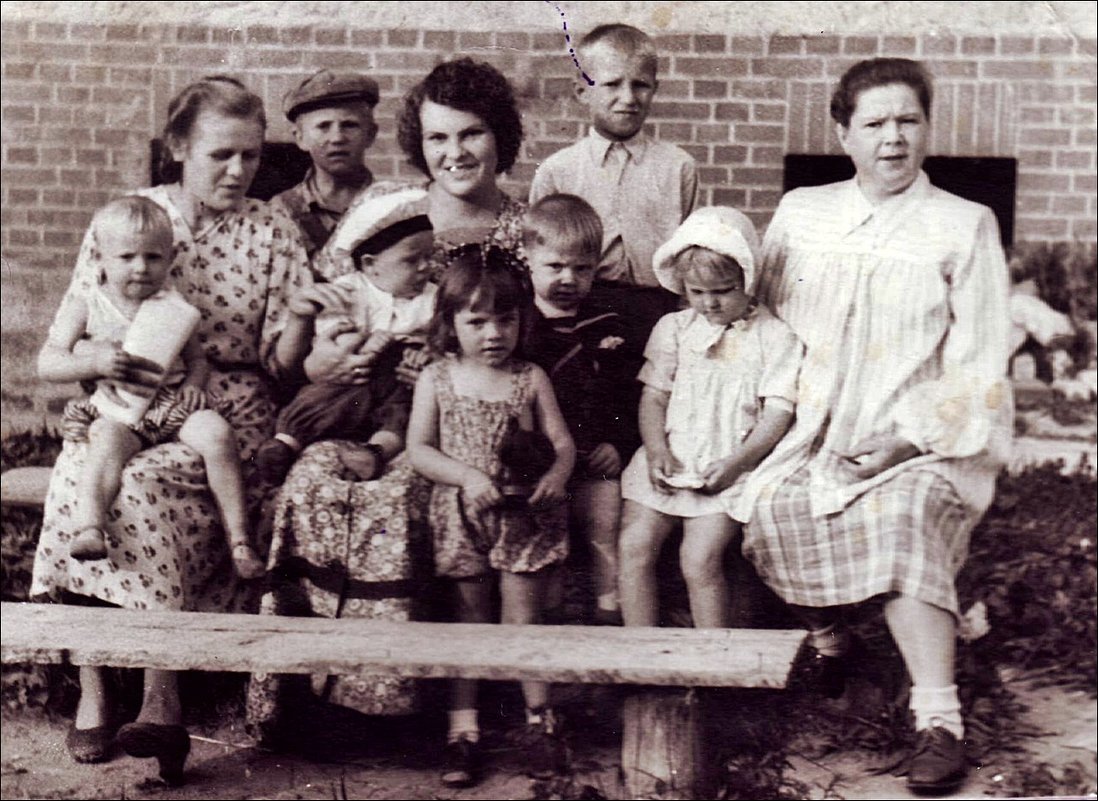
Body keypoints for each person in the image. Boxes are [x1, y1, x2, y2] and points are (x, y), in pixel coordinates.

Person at [737, 58, 1012, 796]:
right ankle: (833, 642)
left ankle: (938, 719)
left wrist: (908, 439)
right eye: (875, 123)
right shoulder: (803, 211)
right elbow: (763, 324)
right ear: (843, 133)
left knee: (902, 512)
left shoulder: (963, 223)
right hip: (812, 425)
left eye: (908, 121)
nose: (894, 139)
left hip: (920, 433)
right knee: (764, 503)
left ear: (927, 126)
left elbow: (981, 361)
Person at [30, 75, 315, 785]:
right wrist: (92, 369)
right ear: (179, 148)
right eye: (221, 154)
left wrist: (306, 325)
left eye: (250, 156)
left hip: (221, 401)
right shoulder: (131, 218)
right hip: (122, 395)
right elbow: (78, 322)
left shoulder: (271, 228)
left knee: (150, 483)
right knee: (78, 476)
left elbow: (283, 363)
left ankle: (163, 693)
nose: (238, 170)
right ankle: (94, 689)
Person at [244, 57, 533, 741]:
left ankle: (396, 699)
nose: (454, 153)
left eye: (471, 135)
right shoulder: (387, 215)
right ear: (418, 144)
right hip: (363, 398)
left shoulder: (525, 229)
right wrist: (327, 356)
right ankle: (304, 691)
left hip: (459, 424)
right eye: (437, 138)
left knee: (403, 496)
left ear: (501, 139)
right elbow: (322, 323)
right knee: (314, 481)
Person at [406, 245, 575, 788]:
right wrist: (467, 477)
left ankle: (540, 722)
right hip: (463, 514)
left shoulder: (530, 378)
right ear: (450, 323)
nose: (493, 333)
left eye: (505, 319)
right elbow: (419, 450)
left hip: (523, 516)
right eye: (476, 321)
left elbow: (562, 443)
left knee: (524, 618)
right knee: (469, 620)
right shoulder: (438, 377)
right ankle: (464, 729)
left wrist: (555, 477)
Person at [38, 196, 265, 579]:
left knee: (217, 433)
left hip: (170, 404)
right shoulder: (87, 304)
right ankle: (89, 527)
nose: (141, 268)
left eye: (154, 257)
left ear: (171, 257)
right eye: (127, 257)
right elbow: (48, 362)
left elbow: (196, 359)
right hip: (115, 407)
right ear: (99, 257)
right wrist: (93, 362)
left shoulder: (173, 305)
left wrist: (194, 385)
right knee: (106, 441)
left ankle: (239, 540)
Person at [617, 207, 801, 630]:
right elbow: (653, 398)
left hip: (729, 470)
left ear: (748, 280)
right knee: (634, 545)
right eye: (697, 292)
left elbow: (777, 414)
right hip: (670, 460)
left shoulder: (773, 337)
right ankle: (642, 656)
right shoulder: (676, 328)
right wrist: (656, 450)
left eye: (723, 291)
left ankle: (711, 668)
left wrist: (737, 462)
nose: (710, 303)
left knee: (698, 560)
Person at [254, 187, 437, 483]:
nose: (426, 267)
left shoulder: (432, 298)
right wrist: (368, 344)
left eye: (430, 256)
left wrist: (425, 351)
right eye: (412, 260)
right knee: (318, 398)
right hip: (352, 381)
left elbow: (441, 340)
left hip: (398, 384)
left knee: (404, 410)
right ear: (370, 264)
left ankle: (376, 452)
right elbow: (334, 345)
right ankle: (286, 444)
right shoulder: (348, 291)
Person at [529, 23, 699, 329]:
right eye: (611, 84)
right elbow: (536, 254)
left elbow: (691, 257)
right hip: (580, 311)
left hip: (659, 312)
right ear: (582, 91)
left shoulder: (679, 167)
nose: (628, 97)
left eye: (641, 85)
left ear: (655, 89)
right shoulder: (558, 170)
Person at [524, 193, 643, 626]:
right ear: (529, 259)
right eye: (555, 267)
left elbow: (627, 394)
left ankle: (608, 613)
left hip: (596, 460)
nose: (568, 279)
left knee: (603, 538)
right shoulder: (520, 326)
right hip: (544, 462)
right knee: (549, 547)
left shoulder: (608, 324)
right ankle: (552, 629)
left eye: (581, 268)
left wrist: (619, 441)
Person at [270, 69, 379, 257]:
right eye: (323, 126)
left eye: (349, 125)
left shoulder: (391, 204)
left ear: (370, 134)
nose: (337, 138)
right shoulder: (280, 211)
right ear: (300, 138)